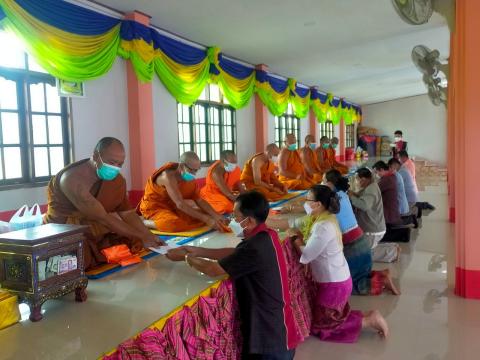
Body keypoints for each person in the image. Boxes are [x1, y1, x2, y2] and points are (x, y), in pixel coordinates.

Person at [167, 191, 300, 359]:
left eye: (236, 217)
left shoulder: (254, 247)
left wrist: (185, 257)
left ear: (249, 221)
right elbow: (236, 253)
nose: (232, 221)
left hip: (270, 336)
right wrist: (196, 250)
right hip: (280, 325)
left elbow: (213, 270)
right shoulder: (267, 235)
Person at [44, 137, 164, 270]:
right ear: (96, 156)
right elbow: (104, 218)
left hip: (99, 229)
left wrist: (148, 235)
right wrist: (141, 236)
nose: (115, 168)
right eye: (112, 162)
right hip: (66, 230)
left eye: (120, 164)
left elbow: (128, 213)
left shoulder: (117, 179)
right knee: (77, 258)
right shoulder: (72, 179)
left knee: (133, 242)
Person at [290, 185, 389, 342]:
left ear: (318, 205)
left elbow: (307, 254)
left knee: (323, 326)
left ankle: (369, 321)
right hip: (336, 280)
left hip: (335, 284)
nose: (305, 203)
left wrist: (295, 240)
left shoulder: (323, 226)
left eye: (308, 200)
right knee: (329, 317)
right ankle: (368, 315)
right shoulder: (324, 219)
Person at [324, 170, 400, 296]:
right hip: (359, 236)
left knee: (351, 286)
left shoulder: (334, 200)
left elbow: (363, 205)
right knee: (359, 272)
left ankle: (382, 278)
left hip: (359, 240)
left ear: (331, 184)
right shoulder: (342, 195)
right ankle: (382, 273)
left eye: (324, 181)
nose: (323, 184)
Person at [138, 151, 227, 233]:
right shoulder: (167, 176)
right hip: (155, 207)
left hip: (173, 207)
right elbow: (180, 204)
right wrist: (207, 220)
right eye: (192, 170)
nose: (194, 173)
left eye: (196, 170)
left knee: (205, 215)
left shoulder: (188, 178)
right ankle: (144, 222)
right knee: (174, 224)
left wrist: (216, 215)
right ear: (181, 166)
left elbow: (199, 200)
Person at [349, 168, 400, 263]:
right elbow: (362, 196)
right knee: (365, 246)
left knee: (361, 254)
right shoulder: (370, 186)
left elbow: (364, 205)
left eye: (357, 180)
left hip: (372, 230)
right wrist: (353, 194)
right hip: (375, 228)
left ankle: (392, 252)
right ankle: (392, 247)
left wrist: (351, 197)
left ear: (363, 179)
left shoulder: (371, 189)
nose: (357, 183)